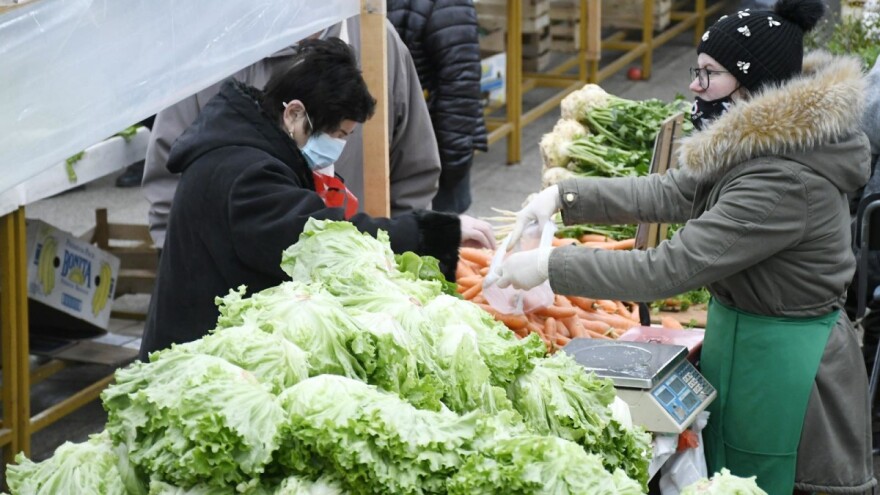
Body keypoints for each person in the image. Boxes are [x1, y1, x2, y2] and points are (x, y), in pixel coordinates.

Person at [494, 0, 876, 493]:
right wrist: (564, 198)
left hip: (790, 372)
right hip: (747, 345)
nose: (694, 87)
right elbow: (673, 191)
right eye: (695, 71)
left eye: (709, 74)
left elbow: (668, 269)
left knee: (773, 480)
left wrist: (551, 264)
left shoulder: (782, 178)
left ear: (754, 83)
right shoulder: (759, 142)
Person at [139, 39, 494, 360]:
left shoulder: (252, 147)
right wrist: (435, 233)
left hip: (213, 346)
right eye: (338, 134)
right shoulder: (247, 174)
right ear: (294, 114)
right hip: (193, 357)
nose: (338, 146)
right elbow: (323, 240)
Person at [141, 17, 440, 249]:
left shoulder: (377, 39)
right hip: (241, 288)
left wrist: (400, 252)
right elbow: (170, 173)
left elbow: (414, 168)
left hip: (359, 275)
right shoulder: (216, 46)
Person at [386, 0, 488, 213]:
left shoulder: (448, 5)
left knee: (439, 234)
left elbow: (460, 86)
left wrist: (452, 164)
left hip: (436, 155)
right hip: (398, 153)